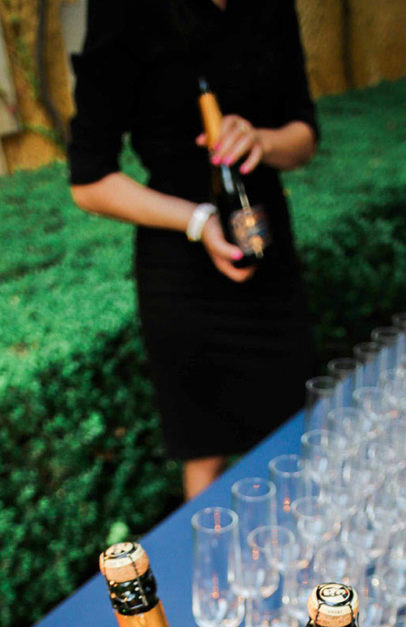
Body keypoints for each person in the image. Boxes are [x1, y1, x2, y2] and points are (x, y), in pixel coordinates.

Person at [68, 0, 319, 500]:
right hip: (183, 269)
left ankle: (305, 568)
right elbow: (88, 182)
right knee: (205, 452)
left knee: (296, 440)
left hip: (268, 254)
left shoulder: (270, 7)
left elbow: (305, 137)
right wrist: (198, 220)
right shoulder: (124, 11)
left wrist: (263, 142)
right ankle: (218, 576)